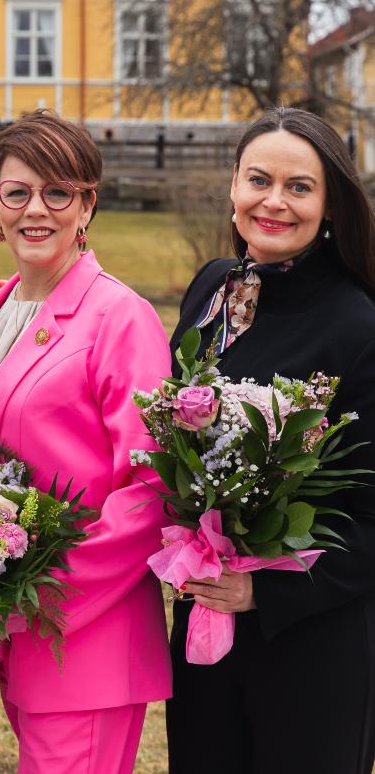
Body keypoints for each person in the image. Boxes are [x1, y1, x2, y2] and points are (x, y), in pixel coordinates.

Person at [0, 109, 172, 774]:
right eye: (16, 192)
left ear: (87, 203)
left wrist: (35, 598)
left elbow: (149, 487)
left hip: (85, 630)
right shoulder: (2, 305)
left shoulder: (118, 316)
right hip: (19, 630)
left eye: (57, 191)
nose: (34, 209)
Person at [166, 107, 375, 774]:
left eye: (299, 186)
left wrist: (265, 591)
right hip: (205, 627)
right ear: (232, 186)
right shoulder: (214, 288)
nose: (273, 201)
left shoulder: (356, 323)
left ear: (330, 206)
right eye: (258, 179)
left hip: (312, 642)